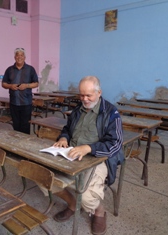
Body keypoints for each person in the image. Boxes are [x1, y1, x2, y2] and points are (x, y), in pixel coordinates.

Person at [40, 76, 124, 235]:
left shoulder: (111, 112)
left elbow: (116, 143)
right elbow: (67, 129)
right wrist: (64, 138)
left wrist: (89, 148)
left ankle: (99, 211)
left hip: (98, 158)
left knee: (86, 197)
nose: (84, 99)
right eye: (81, 95)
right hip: (71, 153)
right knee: (43, 176)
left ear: (99, 92)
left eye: (89, 95)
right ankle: (72, 204)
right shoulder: (78, 110)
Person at [2, 48, 39, 134]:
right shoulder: (9, 70)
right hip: (14, 102)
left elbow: (36, 83)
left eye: (21, 55)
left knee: (25, 125)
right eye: (17, 55)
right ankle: (16, 144)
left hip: (26, 103)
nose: (19, 57)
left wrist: (26, 85)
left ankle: (25, 145)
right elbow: (3, 84)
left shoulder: (30, 69)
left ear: (24, 57)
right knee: (16, 125)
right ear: (15, 57)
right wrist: (10, 86)